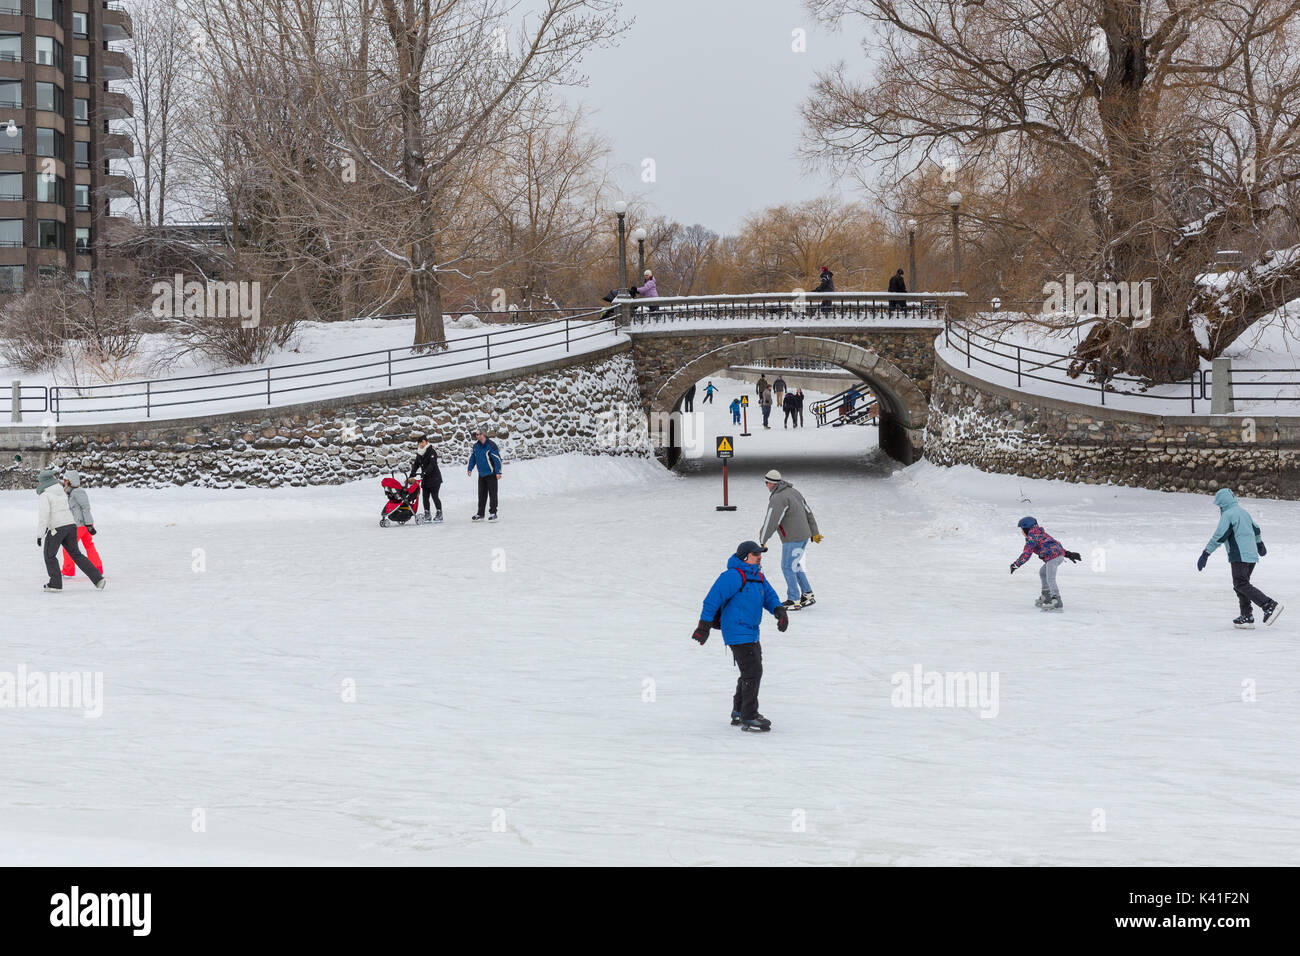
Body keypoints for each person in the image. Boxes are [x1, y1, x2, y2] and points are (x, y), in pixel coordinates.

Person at [692, 540, 788, 732]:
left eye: (760, 554)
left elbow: (769, 596)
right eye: (756, 554)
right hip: (736, 630)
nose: (760, 557)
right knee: (753, 672)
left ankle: (739, 710)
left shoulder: (758, 576)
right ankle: (749, 715)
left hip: (751, 630)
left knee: (750, 672)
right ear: (745, 557)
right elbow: (712, 600)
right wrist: (703, 627)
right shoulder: (733, 576)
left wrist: (779, 611)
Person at [1197, 488, 1284, 628]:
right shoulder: (1243, 513)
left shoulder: (1228, 515)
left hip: (1239, 555)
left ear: (1223, 504)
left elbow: (1219, 536)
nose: (1219, 508)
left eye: (1219, 505)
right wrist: (1259, 544)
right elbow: (1256, 529)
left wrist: (1206, 553)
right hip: (1251, 556)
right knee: (1241, 585)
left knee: (1241, 584)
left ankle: (1268, 604)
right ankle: (1247, 616)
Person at [758, 469, 822, 609]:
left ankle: (793, 599)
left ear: (772, 483)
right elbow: (808, 512)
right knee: (794, 565)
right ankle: (807, 594)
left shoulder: (778, 498)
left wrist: (763, 540)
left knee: (787, 566)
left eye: (766, 483)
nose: (766, 485)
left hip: (793, 538)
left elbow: (771, 521)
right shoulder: (794, 492)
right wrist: (814, 532)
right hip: (804, 535)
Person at [36, 468, 105, 592]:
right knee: (76, 554)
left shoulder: (45, 495)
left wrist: (40, 534)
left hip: (57, 529)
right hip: (71, 526)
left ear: (43, 482)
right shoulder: (62, 491)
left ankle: (55, 584)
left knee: (49, 555)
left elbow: (44, 515)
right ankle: (98, 579)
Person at [1010, 517, 1081, 611]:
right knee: (1043, 572)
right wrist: (1068, 554)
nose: (1021, 532)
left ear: (1026, 528)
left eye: (1021, 529)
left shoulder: (1032, 537)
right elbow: (1054, 545)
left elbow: (1027, 553)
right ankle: (1046, 596)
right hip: (1057, 556)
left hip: (1053, 558)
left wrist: (1016, 564)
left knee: (1050, 578)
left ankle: (1057, 600)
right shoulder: (1040, 533)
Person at [60, 470, 103, 578]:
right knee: (89, 545)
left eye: (66, 480)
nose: (64, 482)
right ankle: (97, 569)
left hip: (81, 525)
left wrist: (89, 525)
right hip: (82, 525)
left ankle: (68, 571)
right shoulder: (70, 493)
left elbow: (86, 508)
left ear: (71, 481)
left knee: (68, 547)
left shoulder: (78, 492)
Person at [466, 428, 503, 521]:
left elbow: (497, 459)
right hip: (481, 474)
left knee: (493, 494)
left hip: (491, 473)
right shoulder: (476, 446)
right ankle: (480, 514)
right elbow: (473, 458)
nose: (477, 436)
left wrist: (498, 472)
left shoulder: (491, 445)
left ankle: (493, 513)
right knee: (481, 495)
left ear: (484, 435)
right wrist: (470, 468)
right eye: (476, 434)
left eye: (478, 434)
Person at [407, 435, 443, 524]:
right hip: (425, 479)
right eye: (419, 443)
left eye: (422, 442)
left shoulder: (432, 451)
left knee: (435, 496)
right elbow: (416, 464)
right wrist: (412, 473)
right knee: (425, 498)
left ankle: (439, 513)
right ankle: (427, 513)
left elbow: (432, 464)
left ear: (426, 442)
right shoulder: (419, 453)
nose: (421, 444)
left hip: (434, 478)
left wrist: (425, 472)